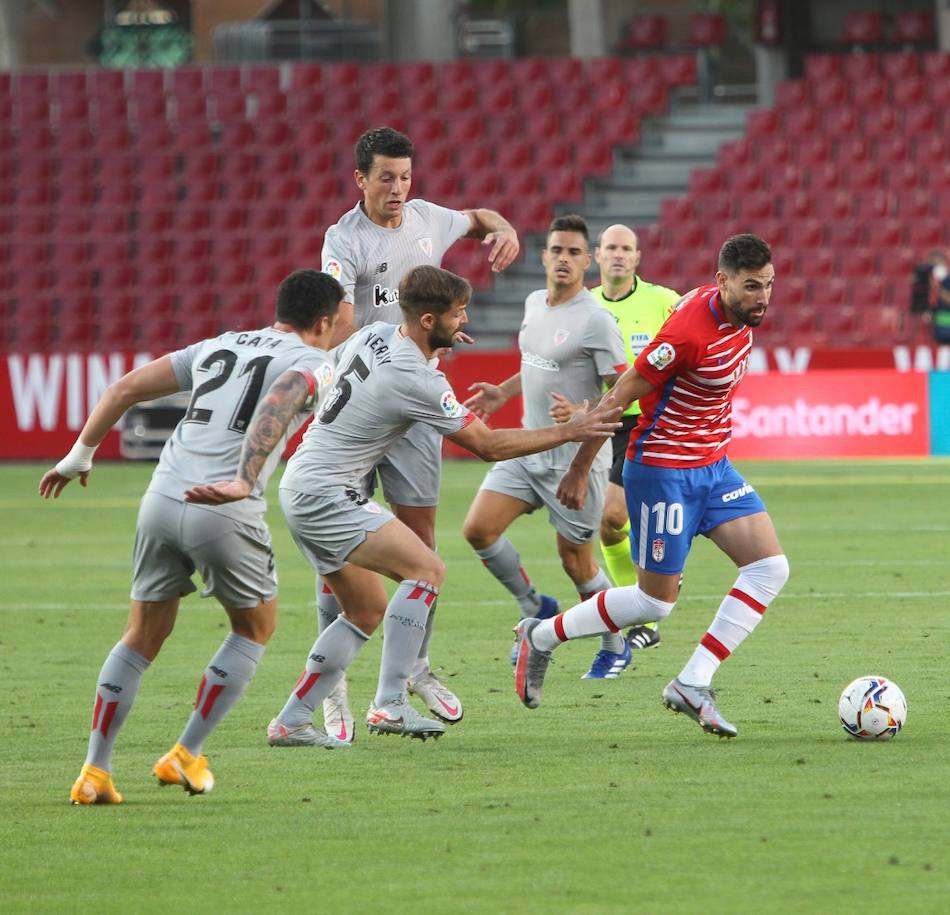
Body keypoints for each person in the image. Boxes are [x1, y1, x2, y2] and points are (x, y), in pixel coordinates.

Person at [187, 266, 619, 746]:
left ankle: (292, 720)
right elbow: (489, 445)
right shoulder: (414, 378)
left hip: (302, 485)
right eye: (458, 315)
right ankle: (389, 704)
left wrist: (436, 343)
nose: (465, 321)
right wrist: (571, 430)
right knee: (427, 570)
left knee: (366, 608)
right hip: (328, 492)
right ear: (430, 320)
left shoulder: (374, 333)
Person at [46, 270, 342, 804]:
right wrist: (245, 479)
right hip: (224, 506)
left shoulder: (220, 344)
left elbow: (125, 388)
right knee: (255, 627)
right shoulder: (316, 360)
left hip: (161, 499)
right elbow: (285, 395)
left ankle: (94, 771)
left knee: (140, 635)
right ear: (324, 321)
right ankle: (185, 754)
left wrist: (79, 455)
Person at [515, 233, 791, 739]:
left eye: (769, 285)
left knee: (770, 567)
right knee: (654, 604)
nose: (763, 298)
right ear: (722, 281)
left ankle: (692, 682)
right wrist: (581, 468)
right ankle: (542, 635)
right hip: (664, 470)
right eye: (752, 287)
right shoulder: (687, 332)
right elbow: (619, 396)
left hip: (713, 465)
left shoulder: (738, 315)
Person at [315, 126, 521, 741]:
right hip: (358, 409)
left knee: (421, 542)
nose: (398, 188)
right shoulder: (343, 239)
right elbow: (339, 320)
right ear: (361, 180)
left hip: (412, 409)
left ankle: (412, 670)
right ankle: (334, 686)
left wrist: (503, 228)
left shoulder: (430, 219)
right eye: (386, 177)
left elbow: (480, 218)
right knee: (340, 551)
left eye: (405, 176)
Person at [460, 215, 630, 679]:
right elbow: (537, 363)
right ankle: (533, 603)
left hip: (575, 461)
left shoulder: (596, 320)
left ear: (588, 261)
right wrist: (503, 392)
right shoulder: (535, 303)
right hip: (528, 449)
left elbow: (623, 394)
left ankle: (616, 643)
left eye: (575, 253)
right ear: (544, 255)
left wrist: (581, 423)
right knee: (477, 529)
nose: (564, 259)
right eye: (557, 250)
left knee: (577, 561)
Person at [584, 223, 680, 653]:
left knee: (619, 513)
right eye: (611, 248)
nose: (619, 255)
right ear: (597, 256)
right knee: (607, 523)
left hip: (651, 421)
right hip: (602, 422)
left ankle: (648, 597)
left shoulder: (664, 301)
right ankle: (640, 608)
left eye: (627, 248)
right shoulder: (582, 306)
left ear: (638, 257)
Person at [913, 249, 950, 344]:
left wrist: (937, 290)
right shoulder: (933, 284)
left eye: (936, 264)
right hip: (942, 335)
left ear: (945, 265)